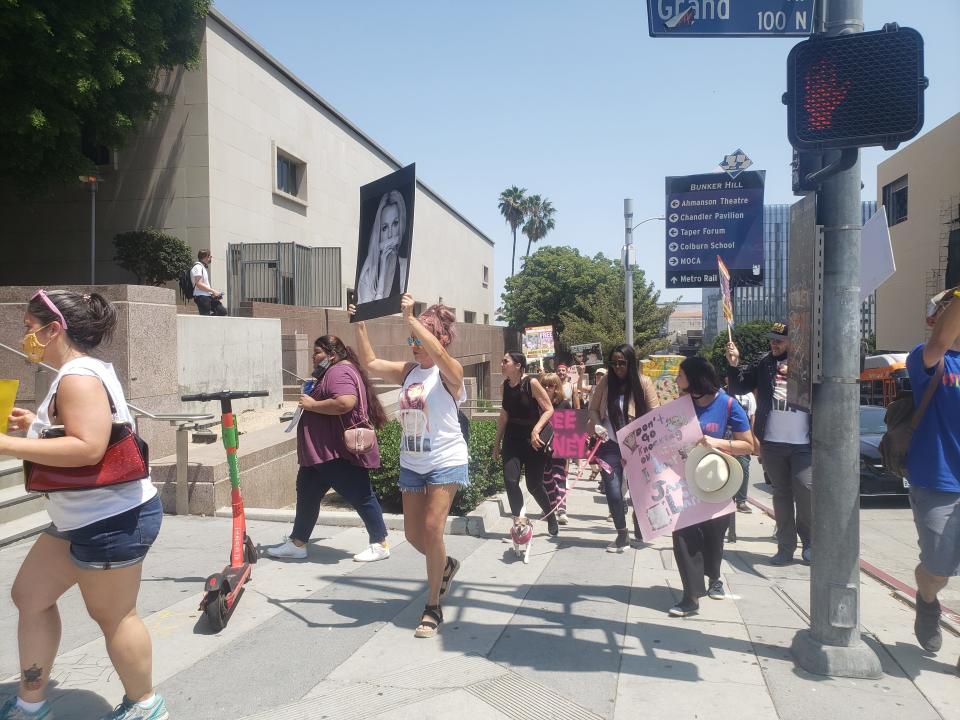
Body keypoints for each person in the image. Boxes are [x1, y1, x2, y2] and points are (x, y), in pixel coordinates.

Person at [0, 289, 167, 720]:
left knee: (114, 616)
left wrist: (9, 445)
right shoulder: (77, 372)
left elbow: (89, 448)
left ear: (55, 329)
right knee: (30, 596)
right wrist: (33, 426)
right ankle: (30, 701)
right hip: (82, 515)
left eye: (29, 328)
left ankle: (146, 705)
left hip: (111, 519)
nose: (25, 337)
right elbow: (84, 430)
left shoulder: (77, 376)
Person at [353, 293, 468, 639]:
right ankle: (445, 565)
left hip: (445, 460)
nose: (415, 344)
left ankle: (432, 605)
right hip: (411, 461)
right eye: (411, 340)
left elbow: (441, 356)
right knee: (414, 535)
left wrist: (411, 319)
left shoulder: (451, 373)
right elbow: (370, 362)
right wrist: (359, 323)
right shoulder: (408, 372)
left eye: (420, 339)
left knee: (433, 530)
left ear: (440, 338)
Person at [266, 336, 390, 563]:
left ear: (331, 354)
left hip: (336, 451)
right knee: (307, 493)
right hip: (321, 453)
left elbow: (345, 402)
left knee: (361, 494)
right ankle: (298, 543)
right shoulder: (335, 371)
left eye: (317, 353)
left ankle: (380, 543)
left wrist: (312, 405)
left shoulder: (338, 372)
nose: (313, 358)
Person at [668, 357, 755, 617]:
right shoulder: (680, 406)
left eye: (680, 375)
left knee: (714, 539)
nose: (676, 380)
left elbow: (749, 445)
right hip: (684, 484)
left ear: (695, 378)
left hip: (717, 483)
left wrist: (717, 443)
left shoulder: (728, 404)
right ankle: (690, 596)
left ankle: (714, 576)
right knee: (683, 536)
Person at [904, 287, 960, 668]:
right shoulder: (930, 362)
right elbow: (941, 340)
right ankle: (927, 601)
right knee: (937, 570)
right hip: (938, 480)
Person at [726, 322, 813, 565]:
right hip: (773, 442)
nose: (774, 343)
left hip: (803, 443)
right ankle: (786, 548)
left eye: (779, 340)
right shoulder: (764, 364)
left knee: (806, 491)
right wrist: (733, 363)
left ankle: (809, 541)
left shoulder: (807, 363)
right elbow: (739, 386)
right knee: (781, 496)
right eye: (772, 339)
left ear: (793, 342)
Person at [588, 344, 659, 553]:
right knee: (612, 490)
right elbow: (592, 408)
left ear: (630, 362)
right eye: (613, 363)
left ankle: (639, 519)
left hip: (638, 445)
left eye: (622, 363)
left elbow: (654, 413)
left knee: (640, 491)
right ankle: (621, 532)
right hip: (609, 443)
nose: (618, 367)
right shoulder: (606, 383)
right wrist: (597, 424)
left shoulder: (644, 383)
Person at [495, 352, 558, 536]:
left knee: (534, 485)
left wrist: (536, 430)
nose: (502, 364)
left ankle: (551, 515)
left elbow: (549, 409)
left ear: (518, 365)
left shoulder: (531, 383)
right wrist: (497, 442)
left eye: (505, 361)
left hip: (533, 441)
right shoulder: (504, 386)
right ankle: (519, 523)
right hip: (512, 439)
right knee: (510, 480)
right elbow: (504, 415)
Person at [356, 190, 408, 304]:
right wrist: (383, 269)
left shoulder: (405, 267)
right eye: (384, 228)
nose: (390, 234)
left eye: (395, 224)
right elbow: (369, 313)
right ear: (378, 233)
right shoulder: (368, 273)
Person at [539, 372, 571, 526]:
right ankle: (551, 507)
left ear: (557, 387)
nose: (546, 388)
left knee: (559, 477)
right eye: (543, 385)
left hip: (560, 446)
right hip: (542, 448)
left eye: (550, 385)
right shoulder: (537, 403)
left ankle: (562, 509)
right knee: (546, 479)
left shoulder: (564, 404)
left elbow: (570, 431)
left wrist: (569, 460)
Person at [191, 249, 227, 316]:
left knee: (222, 311)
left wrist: (212, 293)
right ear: (205, 257)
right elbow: (199, 284)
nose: (211, 258)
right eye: (210, 256)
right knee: (205, 316)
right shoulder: (198, 267)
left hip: (207, 296)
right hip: (201, 296)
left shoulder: (202, 267)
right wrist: (213, 291)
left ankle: (210, 323)